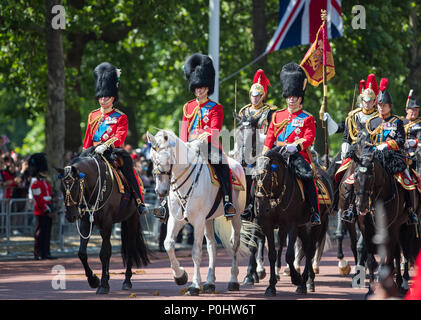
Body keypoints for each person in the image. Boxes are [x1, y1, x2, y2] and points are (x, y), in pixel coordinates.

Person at [153, 53, 236, 220]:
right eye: (197, 87)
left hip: (208, 146)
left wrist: (201, 141)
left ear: (207, 87)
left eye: (202, 87)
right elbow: (184, 130)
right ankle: (164, 205)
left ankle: (228, 202)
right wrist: (185, 145)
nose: (199, 90)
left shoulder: (215, 108)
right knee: (169, 166)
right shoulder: (188, 107)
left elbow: (215, 129)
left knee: (222, 165)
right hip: (189, 146)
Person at [82, 61, 148, 216]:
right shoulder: (93, 115)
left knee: (128, 167)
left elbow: (120, 136)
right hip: (93, 151)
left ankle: (139, 201)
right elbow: (87, 137)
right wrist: (84, 153)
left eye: (106, 97)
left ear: (113, 97)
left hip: (112, 151)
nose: (103, 99)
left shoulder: (120, 116)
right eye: (101, 96)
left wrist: (106, 145)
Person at [262, 62, 320, 225]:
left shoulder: (307, 117)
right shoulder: (277, 116)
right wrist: (264, 155)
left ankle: (314, 211)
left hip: (296, 155)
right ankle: (254, 208)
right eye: (289, 96)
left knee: (308, 176)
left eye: (294, 97)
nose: (291, 100)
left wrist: (297, 146)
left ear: (300, 97)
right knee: (261, 175)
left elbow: (309, 137)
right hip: (277, 154)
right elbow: (270, 137)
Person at [364, 78, 418, 224]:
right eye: (380, 105)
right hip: (374, 157)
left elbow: (400, 140)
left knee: (408, 180)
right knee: (357, 177)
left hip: (392, 157)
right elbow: (365, 142)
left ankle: (411, 210)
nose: (382, 108)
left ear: (390, 106)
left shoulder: (397, 121)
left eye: (385, 105)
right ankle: (352, 208)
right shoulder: (372, 122)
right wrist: (370, 150)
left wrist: (387, 145)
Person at [236, 69, 277, 220]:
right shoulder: (244, 111)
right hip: (245, 151)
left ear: (262, 96)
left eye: (257, 96)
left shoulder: (270, 111)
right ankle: (239, 205)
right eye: (252, 96)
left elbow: (273, 131)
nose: (254, 99)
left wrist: (263, 138)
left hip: (263, 150)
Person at [337, 74, 379, 222]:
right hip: (354, 153)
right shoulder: (352, 116)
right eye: (364, 101)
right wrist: (344, 149)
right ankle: (340, 207)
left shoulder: (379, 117)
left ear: (374, 102)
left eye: (370, 101)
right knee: (335, 175)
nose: (367, 104)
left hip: (372, 153)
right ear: (361, 101)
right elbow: (346, 137)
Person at [29, 153, 56, 260]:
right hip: (41, 211)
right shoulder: (35, 184)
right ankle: (38, 253)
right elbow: (39, 200)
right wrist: (48, 210)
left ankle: (46, 252)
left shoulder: (46, 183)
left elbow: (48, 196)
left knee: (47, 233)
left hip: (48, 208)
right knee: (40, 233)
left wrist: (53, 200)